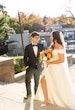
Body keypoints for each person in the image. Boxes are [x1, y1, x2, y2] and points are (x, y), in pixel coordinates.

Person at [35, 30, 75, 109]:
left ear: (55, 37)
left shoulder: (60, 46)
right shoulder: (52, 45)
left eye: (51, 36)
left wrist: (50, 63)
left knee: (57, 85)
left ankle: (56, 100)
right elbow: (50, 56)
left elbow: (61, 60)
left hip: (57, 69)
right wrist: (45, 60)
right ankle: (46, 100)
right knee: (43, 81)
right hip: (49, 68)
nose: (50, 37)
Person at [24, 31, 45, 99]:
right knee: (27, 81)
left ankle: (36, 95)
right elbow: (25, 57)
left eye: (38, 38)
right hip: (30, 66)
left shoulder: (41, 46)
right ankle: (29, 94)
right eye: (36, 37)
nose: (37, 39)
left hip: (39, 67)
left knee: (37, 82)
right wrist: (26, 66)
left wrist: (43, 63)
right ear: (32, 38)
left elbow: (44, 55)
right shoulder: (27, 47)